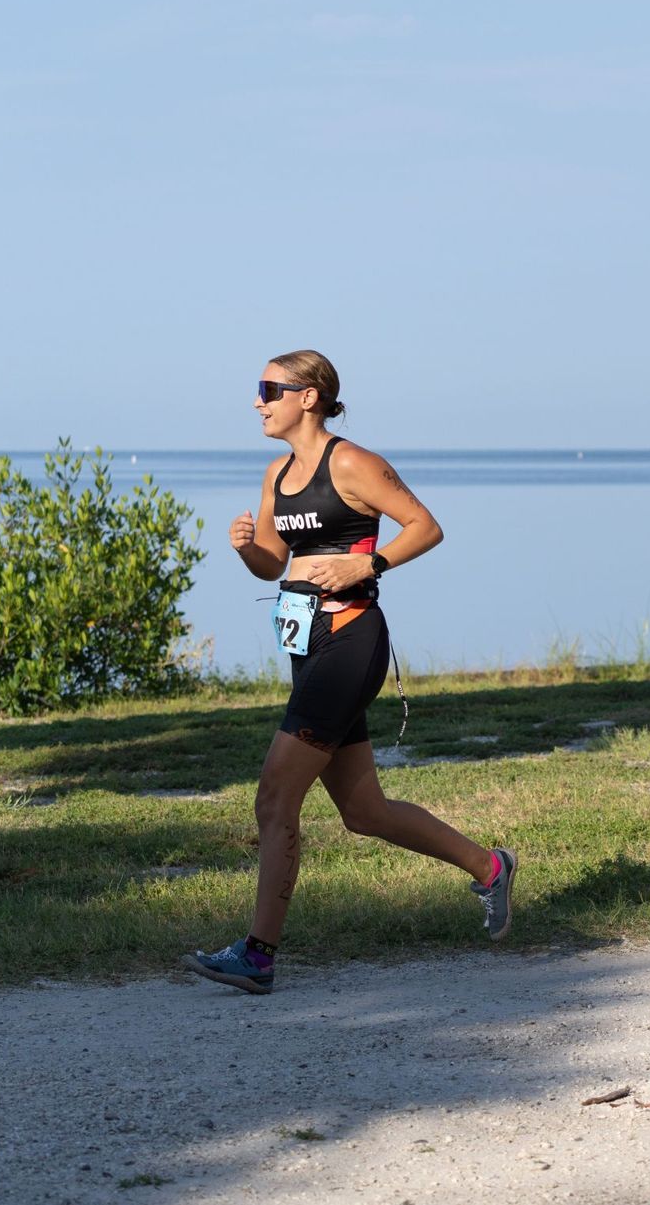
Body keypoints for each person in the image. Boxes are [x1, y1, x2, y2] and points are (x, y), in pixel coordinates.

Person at [184, 350, 514, 994]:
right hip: (306, 644)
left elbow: (425, 526)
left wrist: (370, 563)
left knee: (274, 797)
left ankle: (258, 955)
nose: (257, 402)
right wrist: (247, 547)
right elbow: (273, 560)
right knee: (364, 810)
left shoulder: (353, 464)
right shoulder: (278, 474)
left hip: (351, 641)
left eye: (268, 390)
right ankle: (491, 867)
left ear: (308, 396)